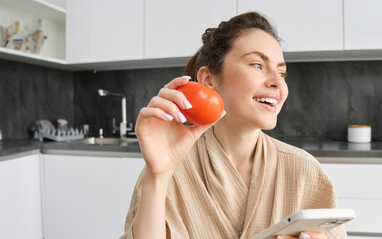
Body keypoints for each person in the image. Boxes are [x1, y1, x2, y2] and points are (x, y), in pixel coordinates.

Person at [121, 12, 347, 239]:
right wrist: (158, 175)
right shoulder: (169, 168)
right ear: (209, 80)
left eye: (282, 72)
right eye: (257, 64)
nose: (277, 82)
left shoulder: (304, 170)